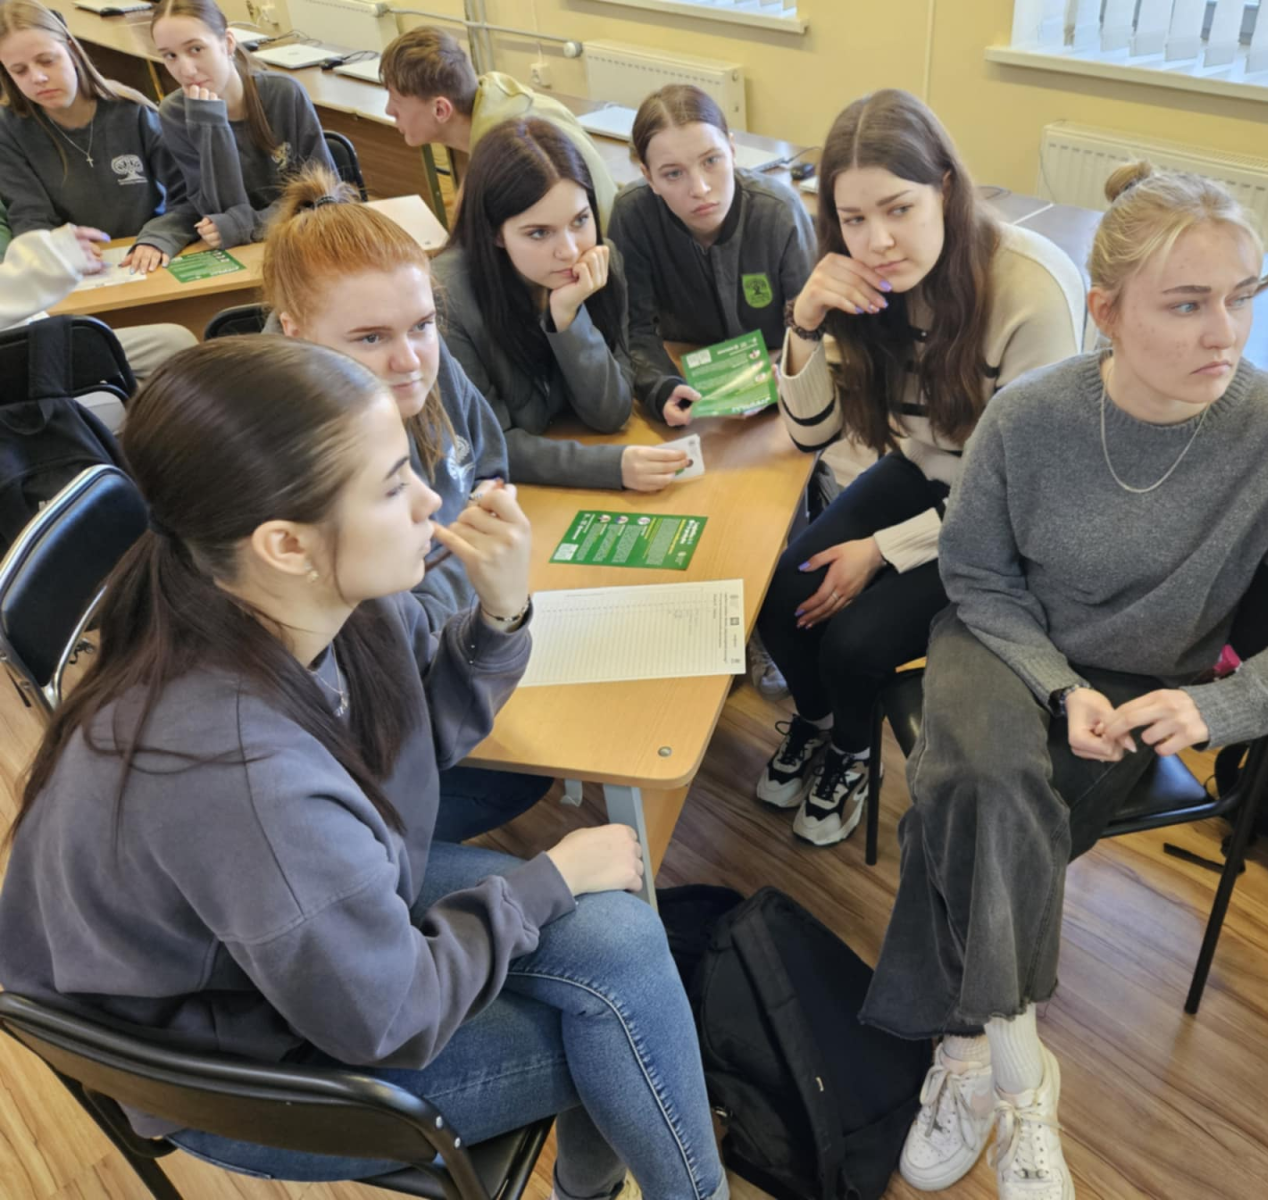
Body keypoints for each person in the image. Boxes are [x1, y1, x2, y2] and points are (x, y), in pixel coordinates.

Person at [0, 336, 728, 1200]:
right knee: (620, 1023)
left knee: (624, 945)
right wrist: (549, 881)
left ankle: (592, 1192)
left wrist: (502, 614)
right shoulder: (237, 774)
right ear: (284, 543)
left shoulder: (312, 603)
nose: (429, 500)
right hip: (237, 1062)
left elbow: (420, 736)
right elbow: (388, 1018)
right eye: (391, 485)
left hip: (305, 937)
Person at [862, 162, 1268, 1200]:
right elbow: (977, 576)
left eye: (1240, 298)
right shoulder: (1030, 416)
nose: (1226, 334)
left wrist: (1217, 706)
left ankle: (966, 1050)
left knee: (965, 805)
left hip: (1141, 681)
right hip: (1002, 639)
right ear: (1108, 312)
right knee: (980, 784)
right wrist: (1054, 684)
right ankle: (1021, 1072)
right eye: (1187, 304)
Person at [754, 89, 1086, 848]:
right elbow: (811, 435)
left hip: (1010, 522)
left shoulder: (1030, 288)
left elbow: (1025, 492)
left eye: (899, 208)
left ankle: (852, 752)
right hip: (927, 472)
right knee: (782, 597)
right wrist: (804, 322)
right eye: (853, 219)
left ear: (944, 188)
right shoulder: (859, 283)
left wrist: (882, 550)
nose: (877, 241)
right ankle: (817, 720)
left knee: (855, 641)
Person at [264, 164, 544, 841]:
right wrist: (484, 588)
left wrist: (478, 566)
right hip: (365, 777)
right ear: (294, 331)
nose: (410, 359)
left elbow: (490, 468)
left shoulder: (423, 371)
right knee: (530, 770)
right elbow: (407, 669)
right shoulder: (291, 476)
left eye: (422, 325)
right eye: (370, 338)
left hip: (445, 662)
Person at [436, 117, 687, 491]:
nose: (569, 251)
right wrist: (608, 468)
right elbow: (488, 441)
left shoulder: (602, 262)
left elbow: (610, 413)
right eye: (539, 233)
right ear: (495, 233)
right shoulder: (446, 298)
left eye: (580, 220)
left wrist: (568, 317)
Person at [608, 83, 816, 425]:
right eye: (673, 174)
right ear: (649, 177)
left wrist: (784, 375)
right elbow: (633, 327)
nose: (700, 188)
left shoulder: (779, 212)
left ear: (732, 150)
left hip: (778, 387)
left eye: (711, 160)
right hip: (686, 380)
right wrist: (660, 386)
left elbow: (811, 326)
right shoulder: (633, 214)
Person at [0, 0, 191, 272]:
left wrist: (160, 237)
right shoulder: (9, 129)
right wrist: (56, 247)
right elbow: (30, 216)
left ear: (72, 50)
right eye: (19, 71)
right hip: (74, 268)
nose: (38, 77)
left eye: (47, 60)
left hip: (149, 254)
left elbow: (187, 195)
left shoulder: (132, 110)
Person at [379, 25, 615, 228]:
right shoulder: (506, 102)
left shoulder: (506, 152)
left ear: (441, 110)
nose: (389, 110)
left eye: (396, 100)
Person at [150, 0, 334, 249]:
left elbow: (322, 196)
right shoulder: (174, 113)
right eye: (170, 56)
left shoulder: (285, 93)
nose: (186, 70)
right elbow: (218, 210)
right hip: (241, 250)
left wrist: (246, 225)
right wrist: (210, 123)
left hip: (302, 240)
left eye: (195, 49)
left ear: (227, 43)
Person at [0, 223, 196, 377]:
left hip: (35, 342)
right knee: (175, 381)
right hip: (21, 373)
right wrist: (52, 260)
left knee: (175, 344)